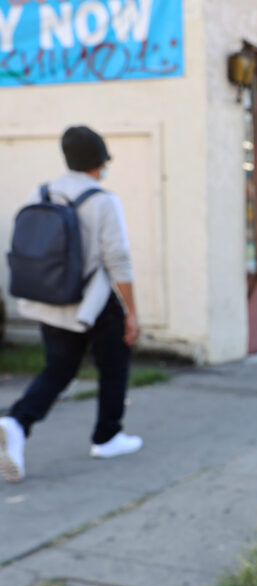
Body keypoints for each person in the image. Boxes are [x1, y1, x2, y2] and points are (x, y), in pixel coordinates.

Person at [0, 126, 143, 483]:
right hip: (92, 301)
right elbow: (118, 262)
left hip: (50, 299)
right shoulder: (103, 200)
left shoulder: (41, 192)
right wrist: (132, 313)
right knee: (114, 364)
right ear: (99, 161)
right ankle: (107, 437)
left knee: (59, 369)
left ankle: (17, 422)